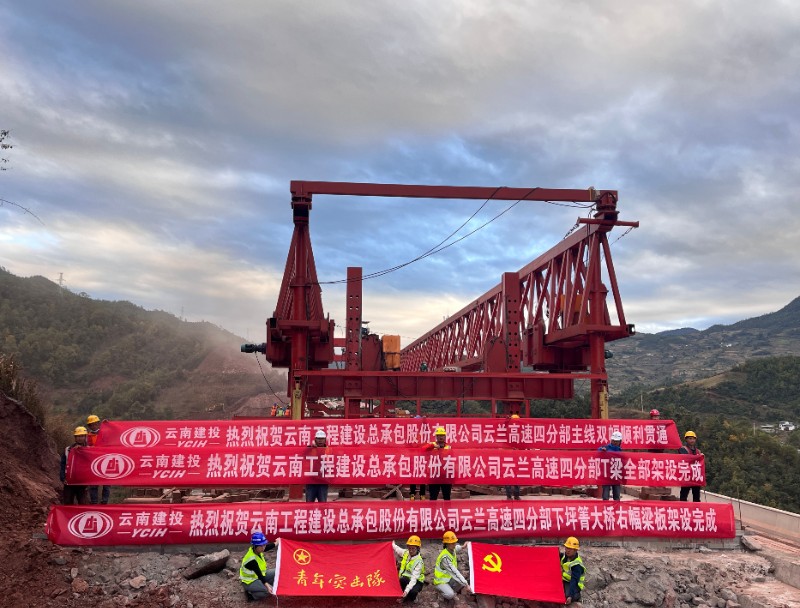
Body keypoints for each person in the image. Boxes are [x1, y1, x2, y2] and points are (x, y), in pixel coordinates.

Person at [433, 531, 472, 607]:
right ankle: (441, 593)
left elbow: (456, 549)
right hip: (440, 581)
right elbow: (454, 572)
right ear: (446, 544)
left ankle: (449, 589)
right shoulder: (445, 558)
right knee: (450, 594)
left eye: (454, 542)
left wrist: (463, 546)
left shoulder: (451, 550)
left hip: (448, 578)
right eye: (452, 543)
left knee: (461, 580)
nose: (454, 544)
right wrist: (466, 585)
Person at [240, 532, 278, 601]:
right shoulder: (251, 559)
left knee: (277, 571)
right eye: (261, 546)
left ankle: (262, 586)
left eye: (264, 545)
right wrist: (267, 586)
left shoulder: (257, 550)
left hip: (257, 576)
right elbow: (259, 574)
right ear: (255, 546)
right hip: (249, 581)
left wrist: (277, 543)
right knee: (268, 591)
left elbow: (267, 547)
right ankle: (251, 596)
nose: (263, 547)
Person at [85, 414, 111, 505]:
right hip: (93, 462)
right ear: (89, 426)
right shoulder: (87, 436)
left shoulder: (104, 433)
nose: (94, 426)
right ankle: (94, 502)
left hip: (106, 461)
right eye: (92, 424)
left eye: (95, 424)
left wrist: (107, 424)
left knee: (106, 484)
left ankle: (104, 501)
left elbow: (113, 433)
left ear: (98, 424)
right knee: (93, 484)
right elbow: (85, 447)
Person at [393, 535, 425, 604]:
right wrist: (392, 544)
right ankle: (403, 595)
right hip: (406, 578)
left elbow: (414, 579)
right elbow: (398, 550)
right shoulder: (406, 553)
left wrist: (406, 591)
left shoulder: (418, 562)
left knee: (413, 592)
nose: (411, 551)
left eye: (413, 548)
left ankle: (412, 597)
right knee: (402, 580)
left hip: (417, 581)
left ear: (418, 549)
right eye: (409, 548)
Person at [60, 426, 88, 505]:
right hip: (69, 481)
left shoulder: (90, 450)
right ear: (75, 438)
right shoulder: (68, 449)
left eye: (82, 436)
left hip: (82, 482)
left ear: (85, 437)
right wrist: (63, 477)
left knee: (82, 504)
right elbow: (63, 464)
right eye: (78, 436)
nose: (80, 438)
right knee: (68, 503)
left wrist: (82, 450)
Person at [427, 427, 452, 500]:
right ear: (436, 436)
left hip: (446, 476)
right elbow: (422, 449)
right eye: (439, 435)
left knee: (447, 497)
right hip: (434, 475)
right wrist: (433, 446)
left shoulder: (449, 447)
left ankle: (447, 508)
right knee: (433, 497)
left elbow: (453, 460)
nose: (441, 437)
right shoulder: (432, 445)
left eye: (442, 435)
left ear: (445, 436)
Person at [597, 431, 623, 501]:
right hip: (607, 475)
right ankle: (605, 507)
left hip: (616, 475)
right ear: (611, 440)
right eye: (614, 441)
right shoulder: (605, 448)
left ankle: (616, 507)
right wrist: (601, 451)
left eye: (616, 441)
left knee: (616, 496)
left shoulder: (620, 451)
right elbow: (598, 452)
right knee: (605, 496)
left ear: (620, 442)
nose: (615, 442)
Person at [560, 536, 586, 605]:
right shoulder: (565, 556)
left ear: (575, 550)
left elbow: (574, 581)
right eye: (566, 548)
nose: (567, 550)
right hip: (564, 580)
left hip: (575, 584)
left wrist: (570, 596)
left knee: (566, 597)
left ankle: (577, 595)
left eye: (570, 548)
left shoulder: (577, 565)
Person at [306, 430, 330, 502]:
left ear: (325, 440)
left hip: (323, 482)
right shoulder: (310, 449)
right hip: (311, 482)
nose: (320, 441)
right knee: (309, 504)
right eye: (318, 438)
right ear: (315, 439)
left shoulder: (329, 450)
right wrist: (311, 447)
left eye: (322, 439)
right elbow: (302, 455)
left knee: (323, 504)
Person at [679, 430, 703, 502]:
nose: (692, 440)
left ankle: (697, 508)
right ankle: (682, 508)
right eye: (690, 438)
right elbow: (686, 458)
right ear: (686, 439)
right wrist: (697, 457)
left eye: (693, 439)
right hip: (686, 476)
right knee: (683, 496)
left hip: (695, 476)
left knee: (696, 497)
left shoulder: (698, 451)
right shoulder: (683, 449)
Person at [505, 414, 522, 500]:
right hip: (508, 456)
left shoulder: (520, 432)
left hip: (516, 457)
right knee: (509, 476)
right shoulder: (507, 431)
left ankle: (516, 494)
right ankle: (509, 495)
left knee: (517, 476)